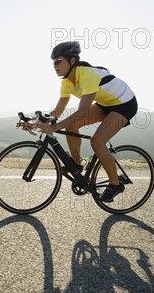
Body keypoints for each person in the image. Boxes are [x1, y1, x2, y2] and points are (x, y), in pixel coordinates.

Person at [32, 41, 138, 202]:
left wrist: (55, 127)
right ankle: (76, 163)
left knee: (97, 142)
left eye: (58, 61)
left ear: (72, 60)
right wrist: (36, 123)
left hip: (124, 105)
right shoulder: (66, 82)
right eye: (53, 62)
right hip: (105, 104)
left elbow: (82, 111)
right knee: (72, 124)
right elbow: (58, 111)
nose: (55, 65)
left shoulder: (87, 74)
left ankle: (115, 184)